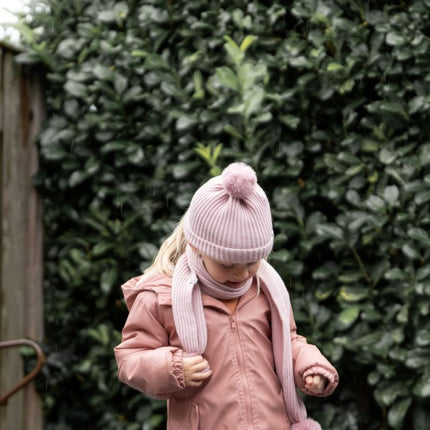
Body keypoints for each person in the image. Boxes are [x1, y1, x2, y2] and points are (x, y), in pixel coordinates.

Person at [114, 162, 339, 430]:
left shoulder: (266, 290)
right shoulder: (162, 297)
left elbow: (288, 341)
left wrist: (310, 366)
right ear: (198, 247)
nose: (242, 274)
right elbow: (131, 358)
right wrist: (172, 367)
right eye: (227, 264)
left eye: (251, 262)